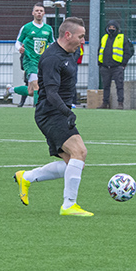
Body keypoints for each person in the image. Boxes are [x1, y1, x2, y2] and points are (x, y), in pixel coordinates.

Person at [13, 17, 93, 217]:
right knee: (80, 152)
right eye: (81, 36)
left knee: (71, 163)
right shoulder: (51, 58)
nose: (83, 40)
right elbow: (51, 93)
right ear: (68, 35)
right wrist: (67, 112)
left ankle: (27, 177)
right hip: (51, 113)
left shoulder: (70, 53)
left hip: (56, 111)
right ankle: (68, 205)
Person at [3, 2, 54, 106]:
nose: (39, 13)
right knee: (37, 86)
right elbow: (18, 42)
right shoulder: (26, 28)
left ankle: (11, 90)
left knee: (31, 91)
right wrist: (20, 49)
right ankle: (38, 110)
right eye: (37, 11)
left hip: (42, 61)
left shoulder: (48, 29)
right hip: (30, 60)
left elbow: (52, 43)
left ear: (44, 13)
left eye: (41, 11)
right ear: (33, 13)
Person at [98, 19, 134, 109]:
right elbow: (100, 50)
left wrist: (123, 64)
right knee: (106, 86)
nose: (111, 29)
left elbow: (128, 52)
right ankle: (104, 103)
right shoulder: (104, 37)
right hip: (105, 67)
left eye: (113, 27)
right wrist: (100, 64)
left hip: (117, 67)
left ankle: (120, 103)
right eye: (110, 27)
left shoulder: (122, 38)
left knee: (119, 86)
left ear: (117, 28)